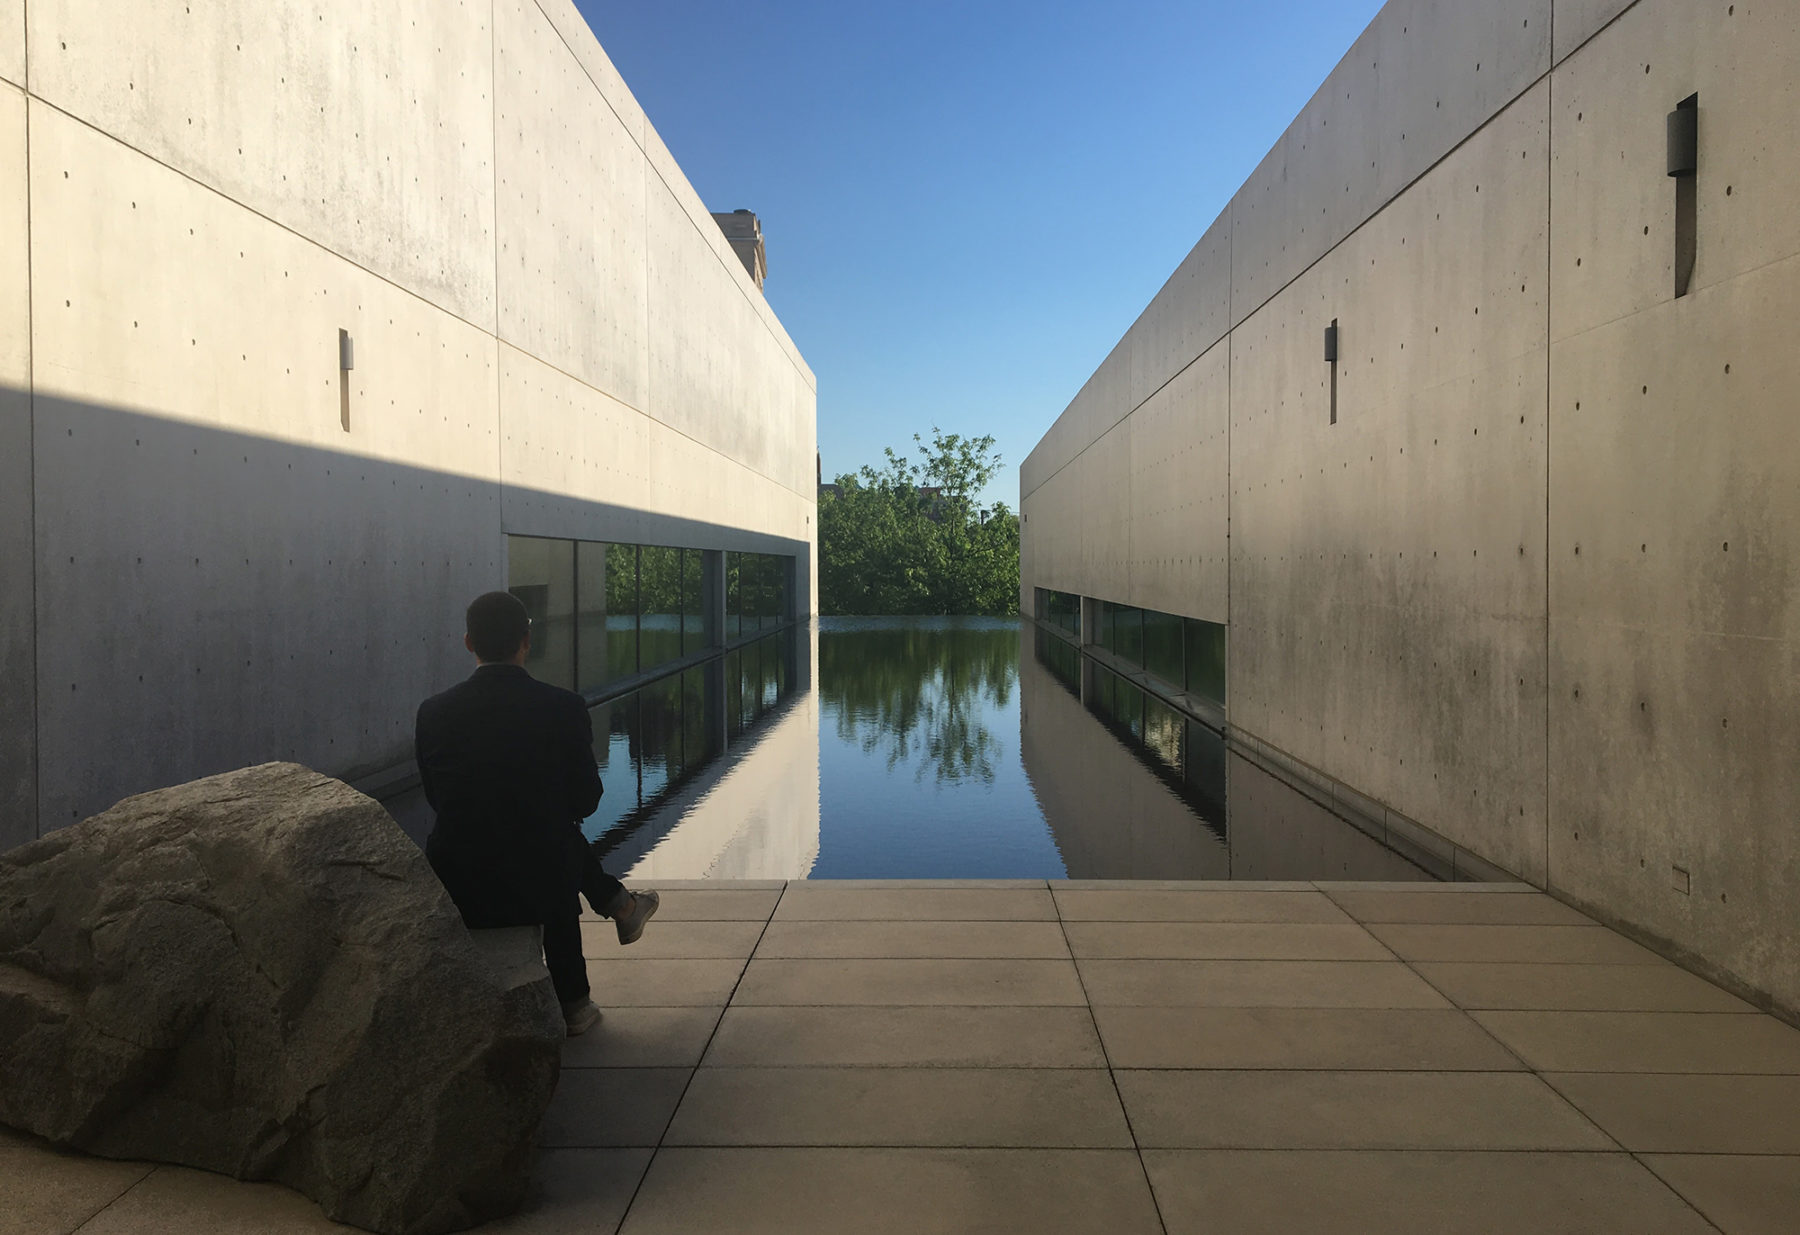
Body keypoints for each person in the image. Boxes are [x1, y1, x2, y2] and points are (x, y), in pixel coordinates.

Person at [415, 590, 658, 1036]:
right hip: (541, 876)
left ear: (469, 643)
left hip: (457, 873)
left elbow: (438, 798)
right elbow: (585, 800)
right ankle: (578, 999)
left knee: (538, 832)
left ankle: (620, 907)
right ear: (527, 640)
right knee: (552, 838)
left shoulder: (433, 712)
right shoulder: (561, 707)